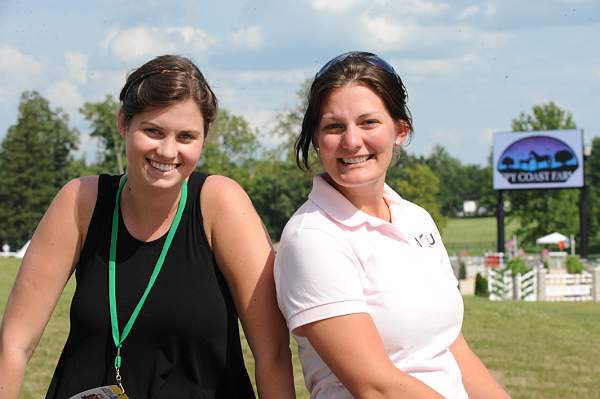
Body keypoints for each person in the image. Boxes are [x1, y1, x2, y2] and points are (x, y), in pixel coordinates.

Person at [0, 55, 295, 399]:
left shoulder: (221, 203)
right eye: (153, 131)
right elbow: (14, 344)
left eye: (186, 136)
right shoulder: (81, 200)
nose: (168, 151)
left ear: (205, 137)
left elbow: (272, 354)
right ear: (123, 123)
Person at [274, 51, 510, 399]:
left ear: (400, 130)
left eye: (368, 123)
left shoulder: (415, 218)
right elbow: (375, 386)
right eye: (334, 127)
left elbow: (451, 347)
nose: (351, 141)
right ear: (316, 139)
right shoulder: (312, 238)